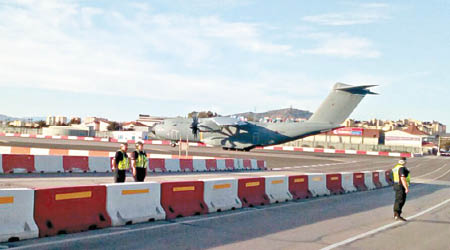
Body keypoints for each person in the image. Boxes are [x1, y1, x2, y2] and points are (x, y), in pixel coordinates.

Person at [392, 157, 410, 221]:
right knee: (401, 200)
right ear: (404, 162)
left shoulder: (395, 167)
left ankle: (396, 213)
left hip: (396, 185)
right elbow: (403, 178)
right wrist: (406, 188)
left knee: (398, 199)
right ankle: (397, 214)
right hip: (400, 185)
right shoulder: (401, 168)